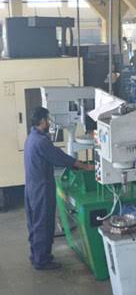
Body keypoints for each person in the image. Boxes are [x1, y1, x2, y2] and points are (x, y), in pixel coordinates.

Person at [25, 107, 93, 270]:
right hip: (42, 188)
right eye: (48, 120)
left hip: (32, 187)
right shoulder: (42, 142)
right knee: (44, 223)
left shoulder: (32, 137)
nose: (49, 123)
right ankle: (42, 261)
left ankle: (36, 255)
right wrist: (85, 166)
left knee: (35, 222)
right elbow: (60, 158)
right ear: (43, 121)